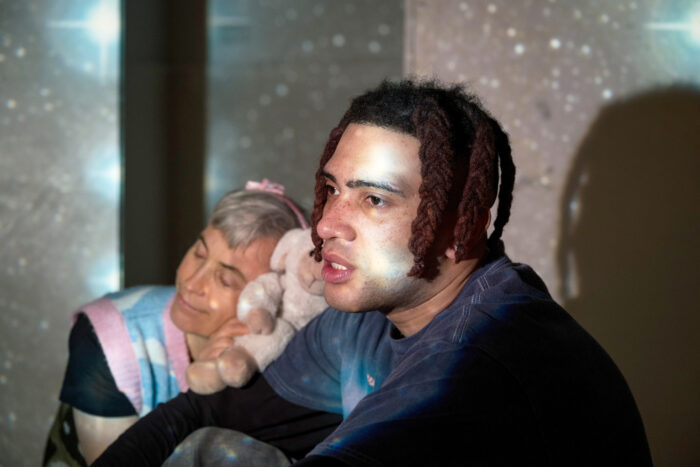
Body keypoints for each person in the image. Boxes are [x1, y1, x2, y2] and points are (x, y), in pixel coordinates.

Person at [94, 80, 652, 466]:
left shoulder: (475, 366)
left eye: (374, 200)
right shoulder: (367, 317)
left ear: (462, 224)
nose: (326, 224)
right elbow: (202, 410)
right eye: (332, 189)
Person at [42, 181, 340, 466]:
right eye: (199, 252)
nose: (192, 282)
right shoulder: (110, 333)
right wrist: (201, 394)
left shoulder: (289, 355)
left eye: (226, 279)